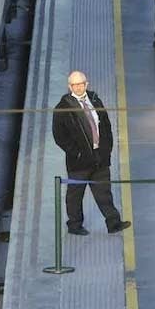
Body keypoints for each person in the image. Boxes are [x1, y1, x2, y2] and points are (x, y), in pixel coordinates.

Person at [51, 71, 132, 235]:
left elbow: (105, 126)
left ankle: (113, 222)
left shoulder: (94, 99)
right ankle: (74, 225)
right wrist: (76, 153)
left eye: (82, 84)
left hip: (99, 157)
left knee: (104, 192)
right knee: (75, 195)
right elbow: (59, 136)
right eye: (75, 85)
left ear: (86, 84)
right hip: (79, 162)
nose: (79, 87)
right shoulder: (62, 108)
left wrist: (106, 149)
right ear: (70, 87)